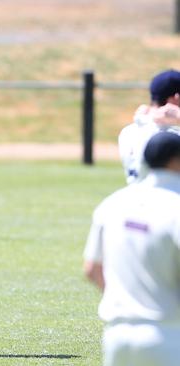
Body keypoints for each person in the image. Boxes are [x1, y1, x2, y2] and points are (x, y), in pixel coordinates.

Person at [84, 131, 180, 366]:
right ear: (175, 161)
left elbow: (91, 268)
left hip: (117, 336)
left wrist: (126, 302)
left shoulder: (112, 202)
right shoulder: (176, 207)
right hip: (167, 335)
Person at [118, 69, 180, 184]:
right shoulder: (170, 137)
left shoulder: (128, 131)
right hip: (168, 198)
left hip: (136, 195)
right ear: (176, 98)